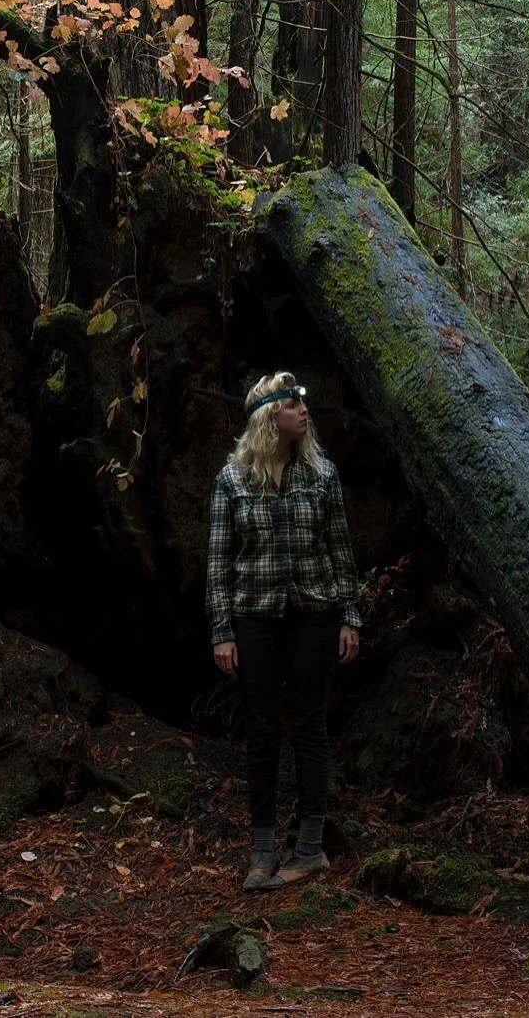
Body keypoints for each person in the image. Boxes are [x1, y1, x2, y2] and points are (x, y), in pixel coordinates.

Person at [205, 371, 362, 891]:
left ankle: (311, 848)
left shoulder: (323, 476)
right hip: (255, 617)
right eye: (294, 403)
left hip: (314, 615)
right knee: (262, 731)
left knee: (311, 727)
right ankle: (263, 849)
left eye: (303, 401)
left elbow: (341, 550)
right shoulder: (232, 482)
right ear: (270, 417)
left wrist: (350, 617)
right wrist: (222, 630)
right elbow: (217, 564)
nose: (304, 409)